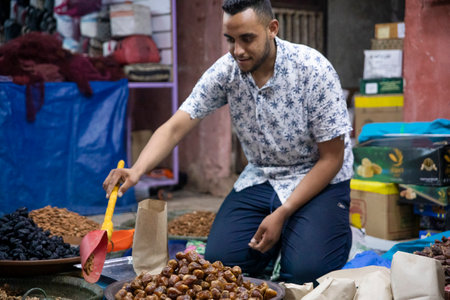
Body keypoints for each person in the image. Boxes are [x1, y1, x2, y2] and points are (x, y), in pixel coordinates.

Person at [103, 0, 354, 284]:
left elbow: (332, 159)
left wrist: (283, 212)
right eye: (230, 40)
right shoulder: (227, 71)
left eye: (247, 39)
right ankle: (287, 239)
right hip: (263, 176)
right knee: (222, 264)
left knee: (305, 272)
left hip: (318, 178)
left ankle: (327, 232)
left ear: (272, 29)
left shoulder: (313, 70)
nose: (238, 51)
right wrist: (136, 170)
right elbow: (175, 126)